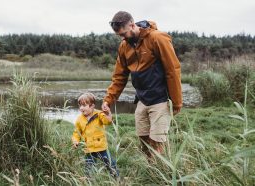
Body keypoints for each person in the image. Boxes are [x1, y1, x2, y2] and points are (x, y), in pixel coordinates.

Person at [102, 11, 183, 159]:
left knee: (157, 142)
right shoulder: (124, 46)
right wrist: (108, 100)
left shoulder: (157, 38)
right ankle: (150, 170)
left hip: (161, 99)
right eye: (119, 35)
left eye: (123, 34)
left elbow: (173, 71)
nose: (122, 38)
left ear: (132, 25)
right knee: (143, 140)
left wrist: (176, 102)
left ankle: (159, 174)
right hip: (142, 99)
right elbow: (119, 76)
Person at [72, 92, 119, 177]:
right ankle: (89, 181)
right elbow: (77, 132)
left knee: (111, 165)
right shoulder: (79, 119)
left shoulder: (99, 114)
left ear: (92, 106)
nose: (81, 108)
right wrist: (75, 141)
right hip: (89, 148)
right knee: (89, 169)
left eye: (84, 105)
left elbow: (107, 121)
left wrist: (108, 113)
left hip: (101, 147)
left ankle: (117, 178)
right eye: (80, 105)